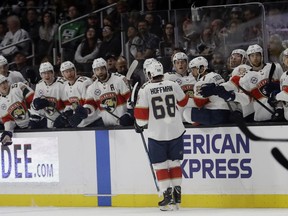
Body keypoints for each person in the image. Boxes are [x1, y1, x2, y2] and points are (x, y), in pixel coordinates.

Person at [134, 60, 192, 211]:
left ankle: (166, 195)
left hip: (157, 134)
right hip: (176, 131)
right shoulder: (173, 84)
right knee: (174, 163)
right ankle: (177, 194)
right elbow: (184, 102)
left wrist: (138, 123)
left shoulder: (145, 89)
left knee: (160, 166)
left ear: (149, 74)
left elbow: (140, 118)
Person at [68, 57, 134, 127]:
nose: (100, 72)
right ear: (94, 71)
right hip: (108, 127)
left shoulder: (119, 80)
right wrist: (85, 111)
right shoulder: (92, 88)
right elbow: (91, 104)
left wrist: (129, 114)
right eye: (97, 70)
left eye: (102, 68)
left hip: (125, 126)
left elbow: (131, 99)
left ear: (106, 68)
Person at [53, 61, 95, 128]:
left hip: (93, 122)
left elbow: (92, 102)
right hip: (81, 124)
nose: (69, 74)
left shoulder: (85, 82)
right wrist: (66, 113)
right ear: (62, 74)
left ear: (75, 70)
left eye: (71, 71)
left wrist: (84, 112)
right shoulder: (66, 87)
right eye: (66, 72)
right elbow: (73, 104)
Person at [0, 74, 34, 146]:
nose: (3, 86)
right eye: (0, 84)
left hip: (36, 123)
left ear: (7, 82)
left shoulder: (18, 87)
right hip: (21, 128)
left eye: (4, 82)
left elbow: (34, 100)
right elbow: (8, 120)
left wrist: (34, 119)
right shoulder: (0, 101)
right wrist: (8, 132)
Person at [31, 62, 67, 128]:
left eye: (49, 72)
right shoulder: (39, 85)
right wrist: (35, 104)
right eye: (44, 73)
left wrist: (64, 117)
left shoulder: (63, 83)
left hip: (63, 118)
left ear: (53, 73)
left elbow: (68, 104)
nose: (47, 75)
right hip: (49, 119)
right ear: (40, 75)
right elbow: (34, 105)